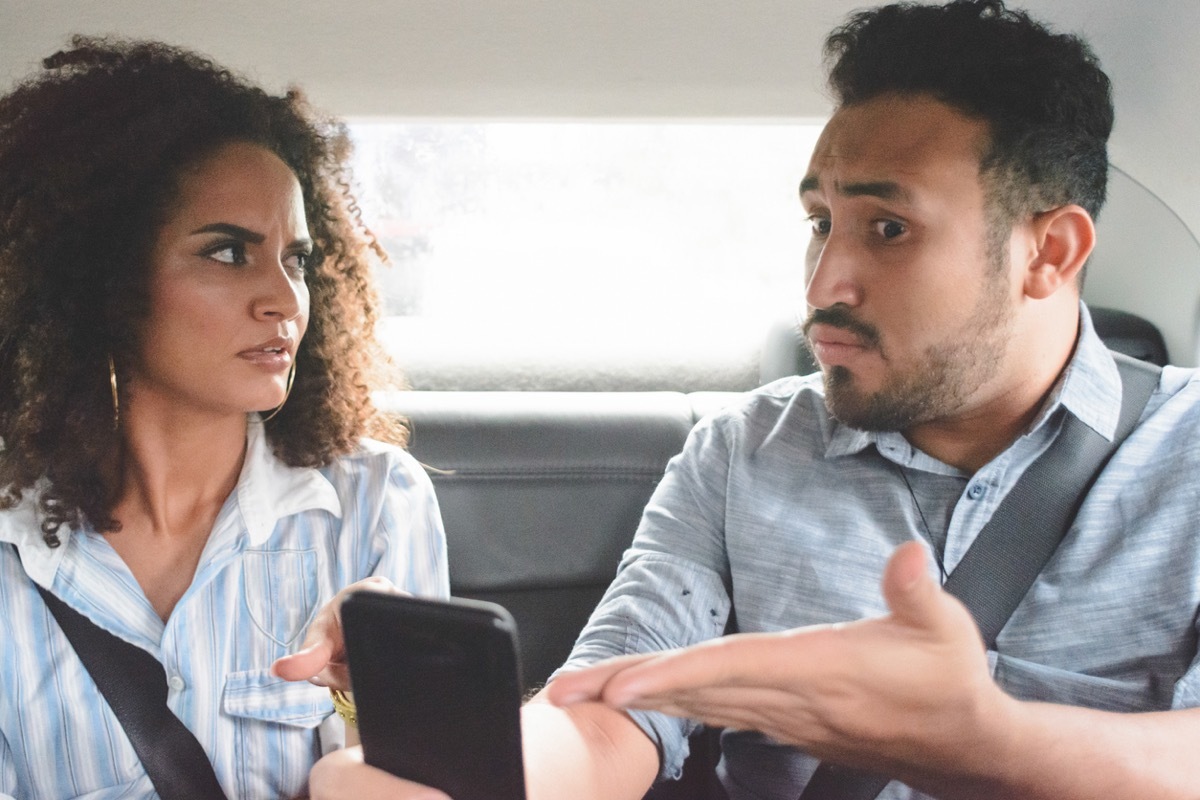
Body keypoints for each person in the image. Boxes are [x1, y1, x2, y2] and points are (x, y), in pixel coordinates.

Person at [295, 1, 1200, 798]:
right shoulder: (744, 454)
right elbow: (613, 709)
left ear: (1049, 253)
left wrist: (989, 745)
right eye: (819, 223)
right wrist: (471, 774)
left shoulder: (1185, 453)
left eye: (889, 229)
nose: (823, 283)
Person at [0, 37, 448, 799]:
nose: (283, 296)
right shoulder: (13, 543)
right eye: (229, 253)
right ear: (104, 282)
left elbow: (426, 784)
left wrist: (374, 694)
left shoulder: (374, 505)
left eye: (297, 259)